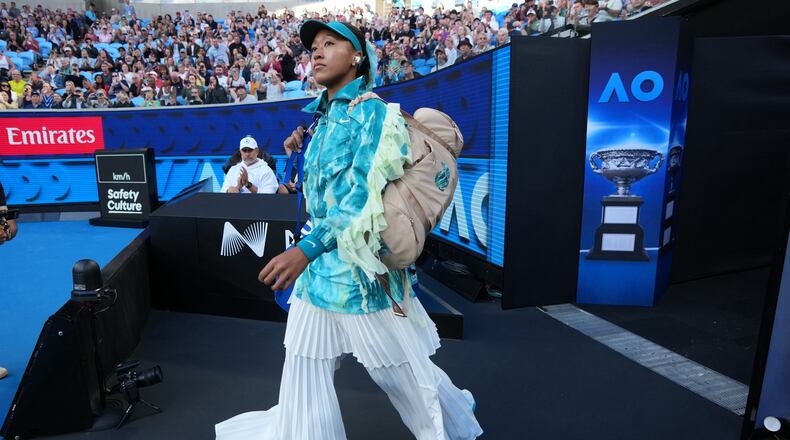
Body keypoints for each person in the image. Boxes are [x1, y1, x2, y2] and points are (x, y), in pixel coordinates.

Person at [215, 20, 482, 440]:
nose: (316, 52)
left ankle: (450, 417)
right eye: (313, 47)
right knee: (303, 368)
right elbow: (321, 194)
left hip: (359, 274)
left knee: (400, 375)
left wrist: (306, 249)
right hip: (318, 274)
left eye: (330, 43)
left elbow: (361, 198)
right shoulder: (321, 120)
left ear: (357, 56)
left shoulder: (373, 114)